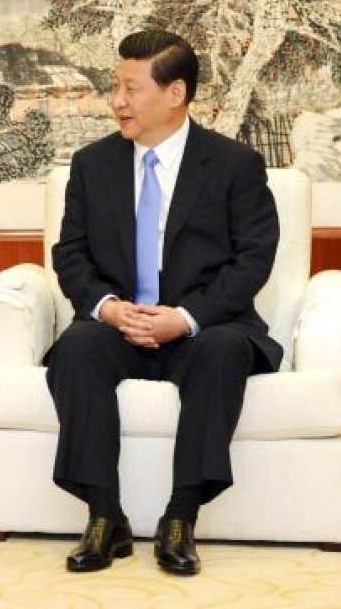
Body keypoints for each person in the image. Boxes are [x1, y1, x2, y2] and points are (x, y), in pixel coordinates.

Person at [46, 30, 281, 576]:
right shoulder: (92, 164)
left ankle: (181, 518)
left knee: (224, 349)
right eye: (115, 87)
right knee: (77, 347)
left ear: (175, 93)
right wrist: (106, 307)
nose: (117, 101)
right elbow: (70, 253)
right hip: (120, 324)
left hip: (204, 324)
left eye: (131, 88)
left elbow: (253, 260)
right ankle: (105, 517)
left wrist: (186, 317)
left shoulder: (233, 165)